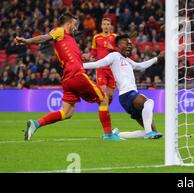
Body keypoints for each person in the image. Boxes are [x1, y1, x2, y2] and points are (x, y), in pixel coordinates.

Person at [16, 12, 120, 141]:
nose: (76, 28)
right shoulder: (60, 31)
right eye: (75, 25)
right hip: (76, 74)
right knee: (103, 99)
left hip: (67, 79)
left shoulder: (70, 40)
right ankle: (109, 135)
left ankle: (36, 124)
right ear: (68, 23)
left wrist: (84, 57)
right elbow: (45, 37)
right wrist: (27, 41)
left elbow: (71, 56)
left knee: (67, 113)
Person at [83, 35, 163, 139]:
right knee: (149, 102)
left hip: (130, 96)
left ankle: (117, 134)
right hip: (127, 94)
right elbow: (98, 64)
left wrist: (156, 59)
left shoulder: (128, 60)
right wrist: (80, 66)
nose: (129, 46)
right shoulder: (114, 56)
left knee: (154, 131)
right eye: (126, 43)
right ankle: (148, 133)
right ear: (119, 45)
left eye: (130, 44)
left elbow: (140, 66)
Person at [83, 18, 117, 104]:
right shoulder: (96, 37)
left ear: (110, 26)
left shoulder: (115, 37)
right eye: (104, 24)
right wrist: (91, 57)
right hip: (101, 69)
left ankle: (105, 109)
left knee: (110, 95)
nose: (106, 26)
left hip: (112, 70)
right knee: (103, 92)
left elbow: (120, 52)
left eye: (108, 24)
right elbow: (94, 51)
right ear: (101, 26)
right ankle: (103, 110)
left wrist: (113, 48)